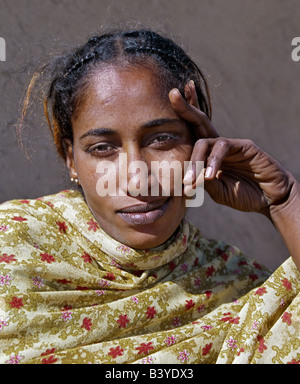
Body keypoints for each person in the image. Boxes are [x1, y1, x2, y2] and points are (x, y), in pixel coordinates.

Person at [0, 29, 299, 364]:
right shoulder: (12, 247)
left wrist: (285, 201)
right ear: (70, 158)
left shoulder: (238, 288)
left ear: (200, 144)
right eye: (103, 148)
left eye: (162, 140)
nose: (137, 179)